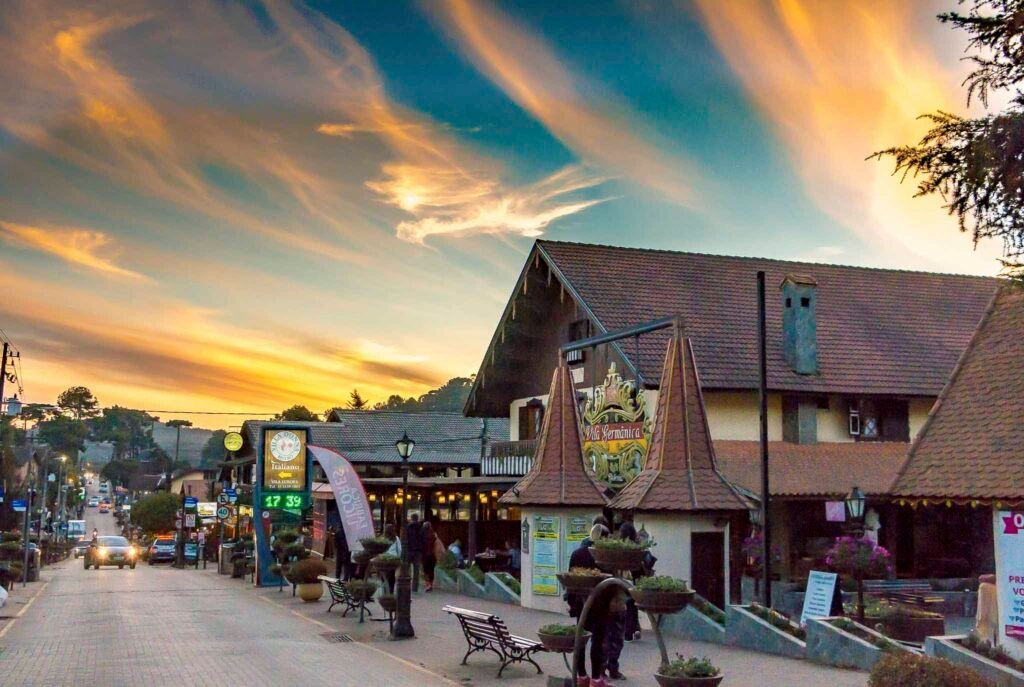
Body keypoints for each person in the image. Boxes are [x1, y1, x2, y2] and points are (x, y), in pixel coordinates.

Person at [406, 513, 424, 592]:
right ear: (417, 519)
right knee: (416, 571)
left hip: (409, 550)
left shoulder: (407, 528)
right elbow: (424, 540)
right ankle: (415, 587)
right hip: (418, 551)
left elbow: (405, 539)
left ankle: (406, 586)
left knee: (406, 570)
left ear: (411, 518)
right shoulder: (421, 528)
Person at [421, 521, 441, 592]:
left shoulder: (422, 535)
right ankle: (431, 584)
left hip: (425, 555)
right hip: (433, 555)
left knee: (425, 570)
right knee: (431, 570)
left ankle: (427, 585)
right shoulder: (434, 535)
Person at [384, 523, 401, 592]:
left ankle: (385, 590)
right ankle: (391, 590)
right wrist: (398, 558)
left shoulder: (383, 538)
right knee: (392, 575)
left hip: (384, 559)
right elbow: (400, 549)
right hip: (393, 558)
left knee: (385, 574)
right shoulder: (396, 538)